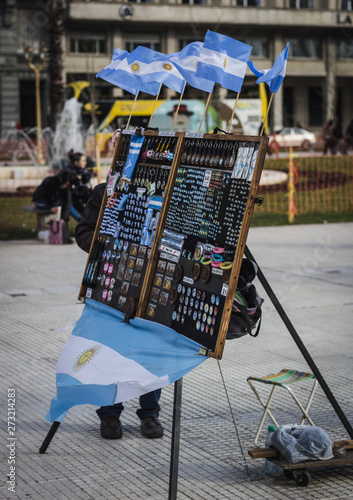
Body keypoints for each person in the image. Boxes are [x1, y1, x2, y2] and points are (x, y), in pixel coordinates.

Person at [75, 182, 164, 440]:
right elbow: (83, 233)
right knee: (108, 350)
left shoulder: (162, 194)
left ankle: (149, 413)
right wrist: (114, 245)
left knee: (150, 351)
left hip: (150, 288)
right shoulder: (105, 192)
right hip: (110, 285)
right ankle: (109, 413)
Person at [64, 151, 92, 221]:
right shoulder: (68, 171)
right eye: (83, 161)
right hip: (70, 198)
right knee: (68, 204)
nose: (85, 163)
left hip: (81, 197)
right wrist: (75, 178)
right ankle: (80, 220)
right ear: (76, 162)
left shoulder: (83, 170)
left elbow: (87, 179)